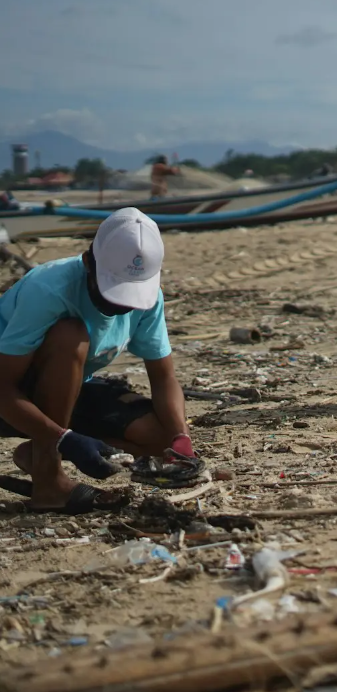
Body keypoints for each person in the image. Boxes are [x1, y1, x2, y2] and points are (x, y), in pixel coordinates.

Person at [0, 208, 195, 514]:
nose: (119, 306)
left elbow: (163, 377)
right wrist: (63, 439)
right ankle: (49, 480)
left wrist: (180, 439)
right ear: (88, 261)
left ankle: (38, 452)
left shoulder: (150, 299)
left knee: (159, 437)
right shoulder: (49, 289)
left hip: (67, 391)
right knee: (71, 335)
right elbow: (4, 387)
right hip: (13, 396)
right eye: (111, 293)